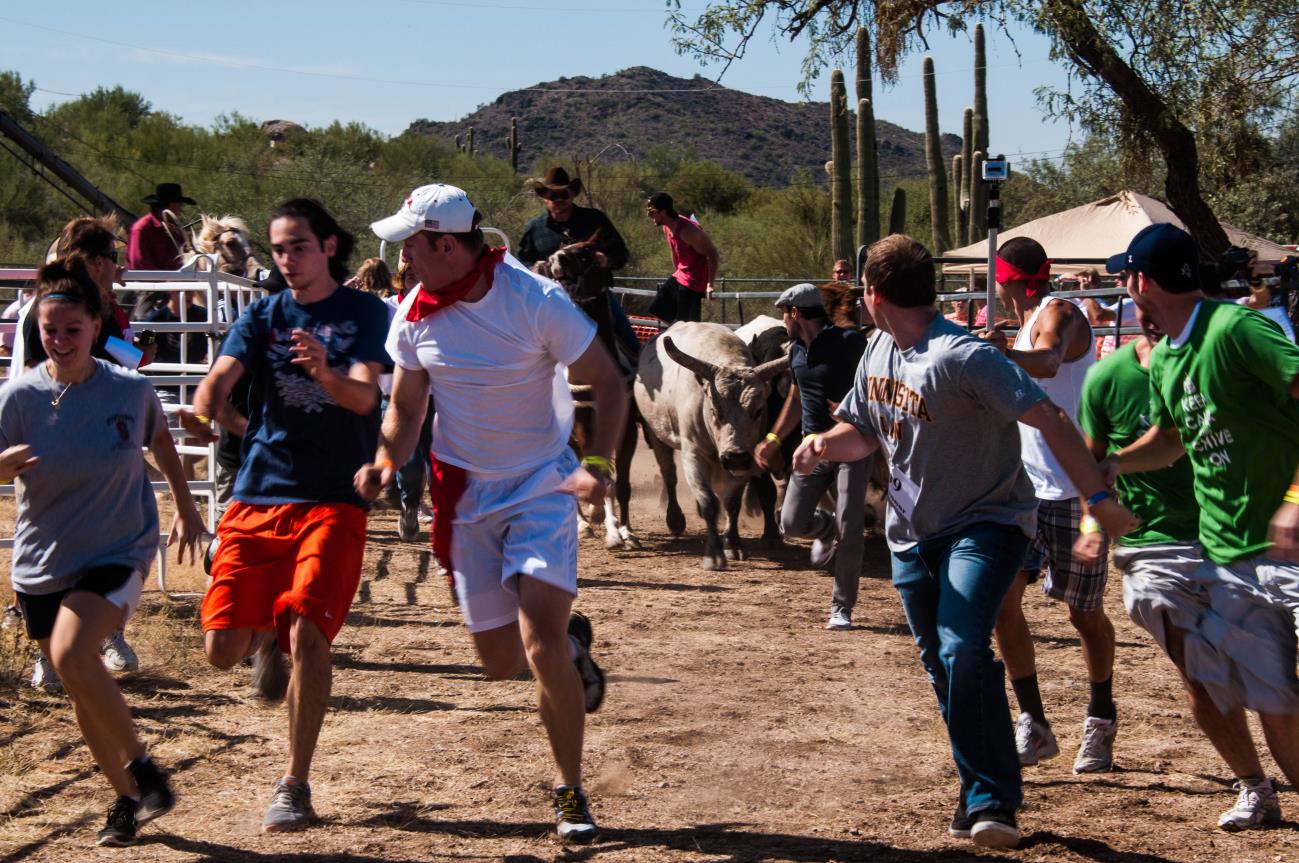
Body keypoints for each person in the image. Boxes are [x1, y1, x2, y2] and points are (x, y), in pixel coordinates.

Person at [792, 233, 1136, 849]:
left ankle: (992, 802)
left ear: (872, 294)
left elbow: (1050, 416)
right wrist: (822, 444)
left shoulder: (963, 354)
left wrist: (1098, 500)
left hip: (988, 523)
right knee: (943, 666)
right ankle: (977, 786)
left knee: (960, 646)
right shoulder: (876, 350)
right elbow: (863, 434)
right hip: (910, 535)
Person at [359, 183, 625, 844]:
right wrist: (386, 461)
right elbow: (408, 408)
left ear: (445, 244)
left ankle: (569, 791)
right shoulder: (414, 313)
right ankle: (571, 647)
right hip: (465, 498)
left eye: (410, 245)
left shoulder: (533, 299)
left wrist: (596, 467)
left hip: (540, 488)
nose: (403, 259)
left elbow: (608, 378)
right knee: (499, 659)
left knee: (534, 644)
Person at [179, 198, 390, 833]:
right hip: (259, 492)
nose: (287, 259)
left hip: (333, 497)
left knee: (308, 634)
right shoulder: (263, 313)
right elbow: (215, 386)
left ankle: (294, 782)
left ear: (329, 246)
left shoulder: (364, 313)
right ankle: (265, 632)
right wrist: (210, 413)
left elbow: (363, 396)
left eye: (299, 245)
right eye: (278, 249)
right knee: (220, 651)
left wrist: (323, 372)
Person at [0, 256, 204, 846]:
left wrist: (188, 511)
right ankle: (128, 799)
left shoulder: (130, 389)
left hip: (118, 547)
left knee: (72, 654)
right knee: (81, 683)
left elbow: (162, 441)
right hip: (42, 560)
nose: (59, 341)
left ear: (96, 326)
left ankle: (143, 768)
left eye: (72, 329)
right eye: (49, 331)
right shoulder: (18, 399)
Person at [1102, 222, 1299, 831]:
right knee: (1273, 700)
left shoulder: (1235, 329)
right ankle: (1262, 792)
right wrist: (1108, 463)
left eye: (1127, 277)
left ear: (1142, 282)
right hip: (1231, 553)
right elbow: (1171, 442)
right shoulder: (1165, 357)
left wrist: (1295, 497)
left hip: (1289, 548)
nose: (1126, 290)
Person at [980, 237, 1121, 774]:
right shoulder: (1023, 321)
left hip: (1077, 493)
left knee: (1083, 613)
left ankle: (1101, 717)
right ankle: (1035, 723)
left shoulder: (1058, 312)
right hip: (1025, 491)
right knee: (1001, 602)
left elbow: (1049, 359)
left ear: (1006, 277)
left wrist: (1002, 354)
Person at [17, 216, 154, 684]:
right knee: (51, 540)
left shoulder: (104, 309)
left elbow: (126, 355)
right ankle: (50, 648)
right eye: (114, 259)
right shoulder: (54, 308)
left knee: (106, 535)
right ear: (96, 262)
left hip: (103, 438)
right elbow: (45, 368)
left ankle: (102, 636)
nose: (119, 268)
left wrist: (134, 348)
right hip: (53, 436)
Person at [755, 283, 869, 630]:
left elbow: (873, 381)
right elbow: (797, 393)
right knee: (790, 522)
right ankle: (825, 527)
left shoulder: (850, 343)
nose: (783, 321)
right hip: (811, 448)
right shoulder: (795, 351)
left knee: (851, 528)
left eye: (783, 314)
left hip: (851, 443)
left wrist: (852, 408)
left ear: (795, 313)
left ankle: (841, 606)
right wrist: (774, 437)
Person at [645, 192, 719, 324]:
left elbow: (713, 254)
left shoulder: (688, 231)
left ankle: (685, 340)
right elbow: (675, 252)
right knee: (657, 309)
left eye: (651, 213)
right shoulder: (667, 228)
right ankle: (676, 334)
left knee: (687, 326)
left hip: (693, 282)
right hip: (680, 276)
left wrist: (710, 285)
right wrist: (676, 273)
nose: (649, 216)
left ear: (663, 212)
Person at [127, 183, 194, 271]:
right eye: (179, 204)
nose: (181, 208)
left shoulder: (176, 230)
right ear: (170, 205)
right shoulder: (142, 229)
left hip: (177, 282)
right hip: (153, 284)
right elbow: (140, 264)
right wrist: (167, 282)